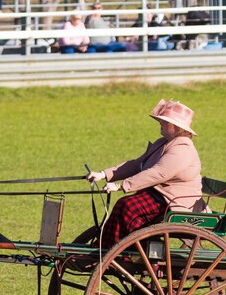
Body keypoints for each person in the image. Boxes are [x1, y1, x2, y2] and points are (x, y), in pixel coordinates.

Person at [87, 99, 204, 249]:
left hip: (173, 202)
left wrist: (121, 185)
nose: (160, 123)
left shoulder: (182, 149)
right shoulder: (163, 143)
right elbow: (138, 164)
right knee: (125, 205)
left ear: (175, 126)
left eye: (164, 121)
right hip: (159, 196)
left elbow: (158, 173)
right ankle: (110, 246)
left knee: (127, 205)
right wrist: (103, 174)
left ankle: (117, 249)